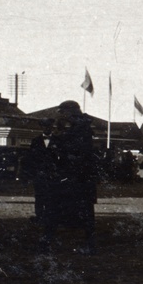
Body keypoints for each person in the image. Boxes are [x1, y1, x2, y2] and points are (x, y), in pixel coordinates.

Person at [46, 101, 99, 254]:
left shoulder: (80, 128)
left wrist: (60, 142)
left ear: (70, 112)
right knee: (83, 210)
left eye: (63, 112)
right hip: (80, 175)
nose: (61, 115)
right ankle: (88, 242)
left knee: (70, 208)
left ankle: (88, 244)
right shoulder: (81, 126)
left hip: (77, 175)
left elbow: (77, 150)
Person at [26, 119, 60, 225]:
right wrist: (34, 172)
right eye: (44, 126)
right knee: (39, 195)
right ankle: (39, 216)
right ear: (41, 128)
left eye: (49, 126)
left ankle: (50, 216)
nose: (47, 128)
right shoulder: (35, 141)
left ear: (52, 127)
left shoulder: (58, 141)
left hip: (53, 174)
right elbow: (31, 158)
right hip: (39, 173)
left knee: (52, 195)